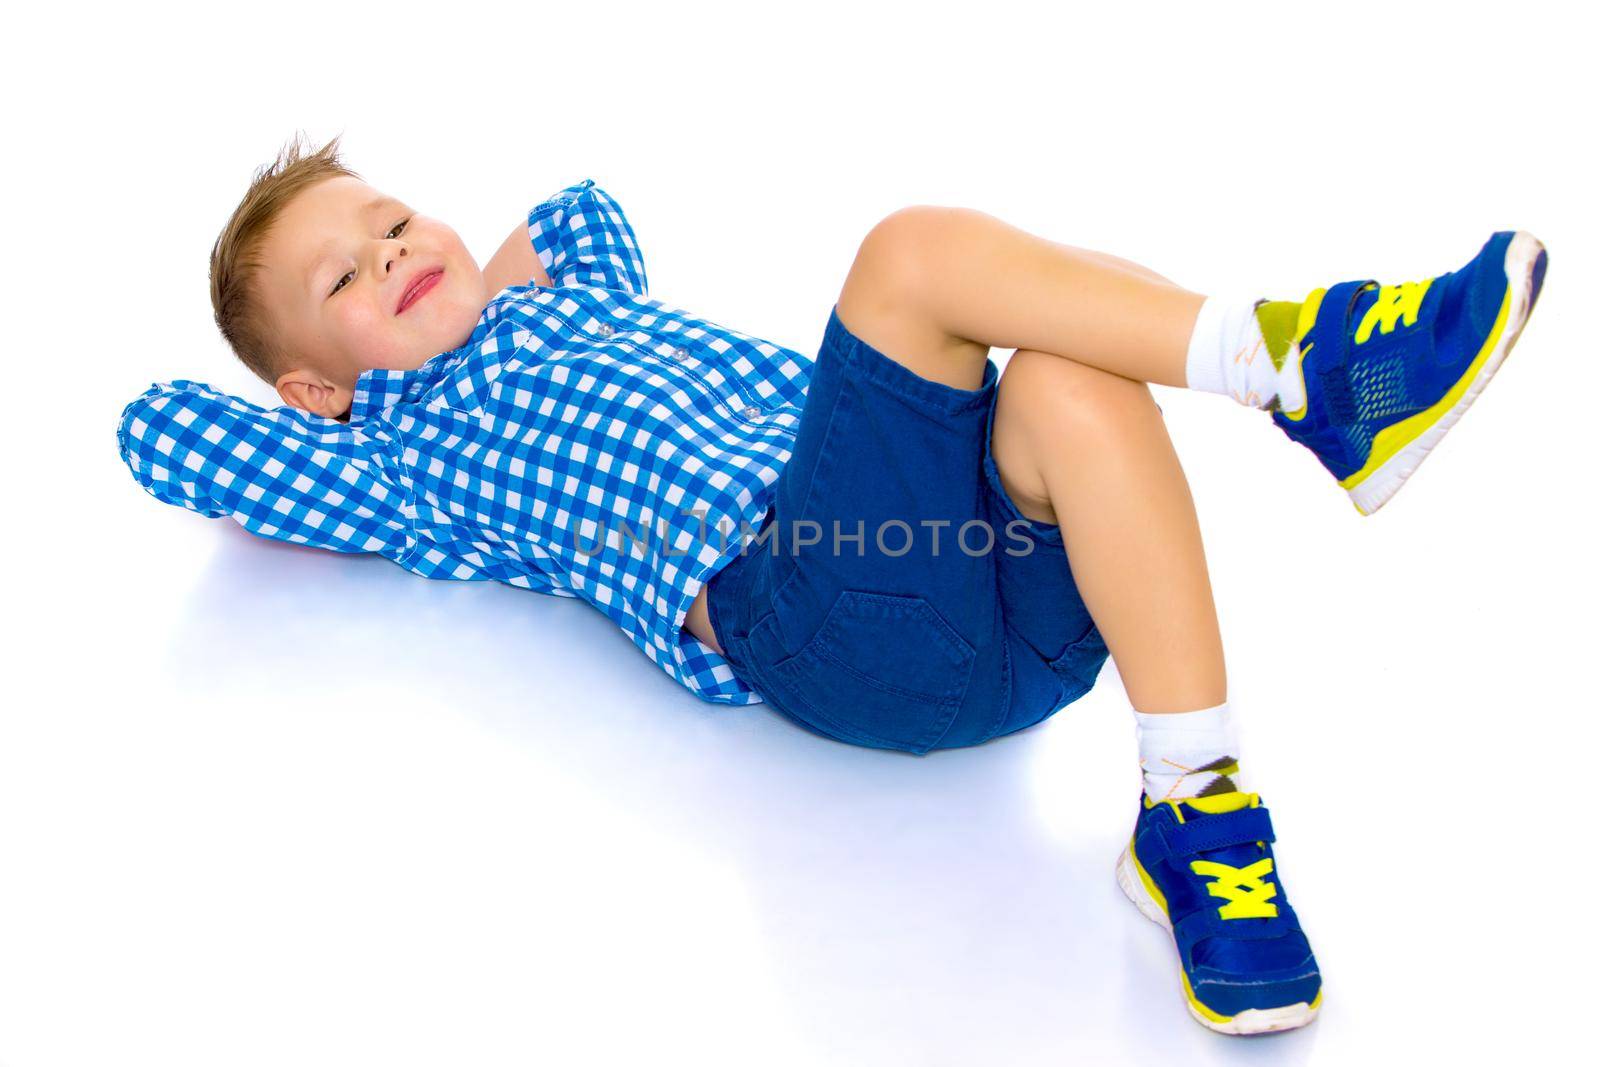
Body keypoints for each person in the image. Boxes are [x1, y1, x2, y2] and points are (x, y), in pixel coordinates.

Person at [116, 133, 1548, 1036]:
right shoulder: (397, 460)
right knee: (911, 254)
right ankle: (1311, 367)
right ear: (317, 384)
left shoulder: (581, 302)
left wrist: (471, 286)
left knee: (1062, 370)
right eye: (346, 282)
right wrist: (337, 391)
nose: (391, 255)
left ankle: (1198, 806)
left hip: (1008, 602)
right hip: (810, 607)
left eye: (394, 222)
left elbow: (580, 198)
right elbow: (161, 433)